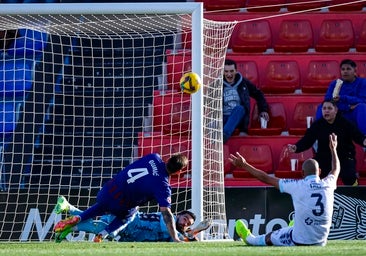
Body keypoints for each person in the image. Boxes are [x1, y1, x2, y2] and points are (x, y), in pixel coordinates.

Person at [230, 133, 340, 246]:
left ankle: (250, 239)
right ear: (320, 172)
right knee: (293, 227)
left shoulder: (298, 185)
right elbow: (336, 169)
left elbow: (265, 178)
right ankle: (294, 226)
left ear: (302, 173)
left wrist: (244, 165)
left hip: (298, 240)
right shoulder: (329, 184)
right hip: (321, 242)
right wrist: (333, 149)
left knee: (270, 237)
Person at [54, 153, 188, 243]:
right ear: (178, 172)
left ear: (169, 158)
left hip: (108, 189)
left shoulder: (153, 157)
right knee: (128, 216)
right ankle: (102, 234)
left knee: (101, 207)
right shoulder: (163, 187)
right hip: (122, 204)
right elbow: (166, 213)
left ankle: (79, 217)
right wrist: (175, 237)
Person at [53, 196, 211, 243]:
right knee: (102, 229)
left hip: (130, 234)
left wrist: (195, 230)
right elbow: (179, 238)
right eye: (185, 219)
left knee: (100, 225)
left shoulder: (176, 233)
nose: (184, 223)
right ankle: (70, 227)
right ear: (178, 215)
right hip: (130, 221)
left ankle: (68, 207)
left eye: (188, 224)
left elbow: (184, 243)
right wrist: (195, 230)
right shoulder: (168, 220)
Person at [289, 100, 366, 186]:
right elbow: (307, 140)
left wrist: (364, 141)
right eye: (324, 108)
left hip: (345, 157)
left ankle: (354, 194)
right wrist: (296, 147)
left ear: (336, 110)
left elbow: (357, 136)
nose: (326, 110)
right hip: (324, 157)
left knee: (349, 176)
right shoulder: (317, 125)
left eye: (329, 108)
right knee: (312, 171)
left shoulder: (345, 123)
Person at [222, 59, 269, 143]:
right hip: (223, 118)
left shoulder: (243, 82)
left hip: (238, 118)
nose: (229, 74)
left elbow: (258, 94)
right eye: (226, 71)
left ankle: (224, 136)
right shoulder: (217, 85)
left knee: (240, 109)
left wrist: (263, 110)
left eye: (231, 71)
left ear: (236, 71)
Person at [315, 59, 366, 135]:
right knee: (322, 107)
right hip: (338, 113)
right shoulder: (334, 83)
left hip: (354, 114)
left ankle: (364, 139)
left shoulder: (363, 82)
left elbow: (362, 100)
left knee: (362, 107)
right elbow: (327, 100)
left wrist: (343, 98)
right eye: (343, 69)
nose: (345, 71)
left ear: (355, 70)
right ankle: (318, 137)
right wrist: (348, 107)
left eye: (348, 69)